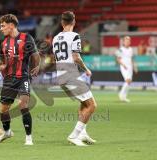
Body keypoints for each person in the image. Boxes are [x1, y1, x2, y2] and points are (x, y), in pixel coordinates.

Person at [0, 14, 40, 145]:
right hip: (8, 79)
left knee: (23, 105)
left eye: (3, 26)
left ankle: (29, 138)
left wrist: (36, 67)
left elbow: (36, 55)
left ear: (11, 25)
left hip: (23, 78)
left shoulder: (26, 38)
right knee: (3, 109)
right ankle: (7, 132)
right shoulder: (4, 43)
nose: (1, 28)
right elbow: (3, 64)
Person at [52, 11, 97, 146]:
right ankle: (74, 135)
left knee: (83, 103)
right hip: (71, 73)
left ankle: (82, 134)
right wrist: (86, 69)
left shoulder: (55, 38)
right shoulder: (75, 36)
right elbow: (76, 57)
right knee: (92, 105)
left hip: (60, 75)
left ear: (62, 23)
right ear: (74, 22)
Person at [116, 36, 138, 102]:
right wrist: (123, 65)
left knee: (129, 82)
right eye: (126, 41)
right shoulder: (120, 49)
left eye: (128, 41)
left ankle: (124, 97)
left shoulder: (131, 49)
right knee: (128, 80)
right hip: (124, 67)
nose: (127, 42)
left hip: (130, 67)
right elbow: (118, 59)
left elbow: (132, 59)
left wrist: (134, 67)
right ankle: (121, 94)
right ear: (123, 42)